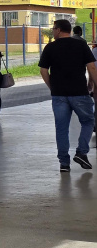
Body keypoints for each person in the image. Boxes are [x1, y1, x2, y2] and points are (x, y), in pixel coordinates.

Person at [39, 19, 97, 172]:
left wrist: (52, 86)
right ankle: (81, 152)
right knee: (88, 121)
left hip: (58, 94)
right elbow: (91, 66)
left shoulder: (50, 47)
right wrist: (94, 83)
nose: (52, 31)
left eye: (53, 29)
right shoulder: (81, 45)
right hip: (79, 92)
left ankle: (64, 164)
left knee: (61, 128)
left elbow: (43, 70)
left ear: (58, 30)